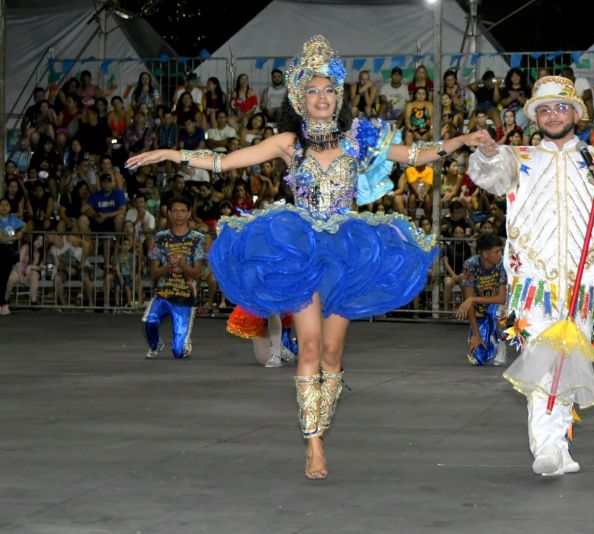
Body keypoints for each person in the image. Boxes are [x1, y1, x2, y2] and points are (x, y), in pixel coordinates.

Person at [126, 35, 489, 480]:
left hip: (346, 253)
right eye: (312, 91)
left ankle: (322, 423)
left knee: (333, 354)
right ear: (299, 99)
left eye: (328, 90)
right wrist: (173, 153)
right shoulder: (287, 142)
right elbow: (226, 162)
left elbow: (415, 153)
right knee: (311, 346)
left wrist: (462, 140)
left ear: (339, 97)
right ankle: (312, 442)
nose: (321, 97)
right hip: (299, 248)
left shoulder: (360, 138)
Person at [468, 76, 594, 477]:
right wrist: (492, 152)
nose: (551, 115)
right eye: (543, 109)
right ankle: (545, 446)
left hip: (581, 287)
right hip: (534, 286)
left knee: (569, 364)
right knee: (543, 362)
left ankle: (558, 446)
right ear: (535, 118)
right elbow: (490, 174)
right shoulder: (520, 156)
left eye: (560, 107)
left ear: (576, 114)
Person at [143, 196, 206, 359]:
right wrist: (168, 266)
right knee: (150, 321)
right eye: (175, 211)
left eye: (182, 211)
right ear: (169, 214)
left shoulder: (198, 239)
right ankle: (156, 345)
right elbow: (154, 273)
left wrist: (183, 265)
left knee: (178, 352)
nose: (178, 215)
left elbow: (197, 274)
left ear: (189, 213)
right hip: (163, 293)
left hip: (185, 296)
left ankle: (184, 342)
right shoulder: (159, 238)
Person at [454, 233, 508, 366]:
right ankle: (487, 336)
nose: (500, 254)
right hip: (479, 311)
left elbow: (501, 298)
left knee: (495, 312)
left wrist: (472, 299)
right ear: (484, 253)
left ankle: (501, 344)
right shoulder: (470, 265)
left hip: (498, 308)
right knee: (478, 358)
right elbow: (469, 303)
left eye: (501, 250)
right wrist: (476, 334)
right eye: (496, 251)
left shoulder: (502, 265)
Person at [0, 198, 26, 315]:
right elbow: (1, 239)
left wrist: (20, 232)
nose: (4, 207)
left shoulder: (13, 219)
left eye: (7, 205)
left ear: (10, 208)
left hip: (9, 252)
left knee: (6, 278)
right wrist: (14, 237)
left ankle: (4, 303)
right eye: (2, 205)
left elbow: (25, 226)